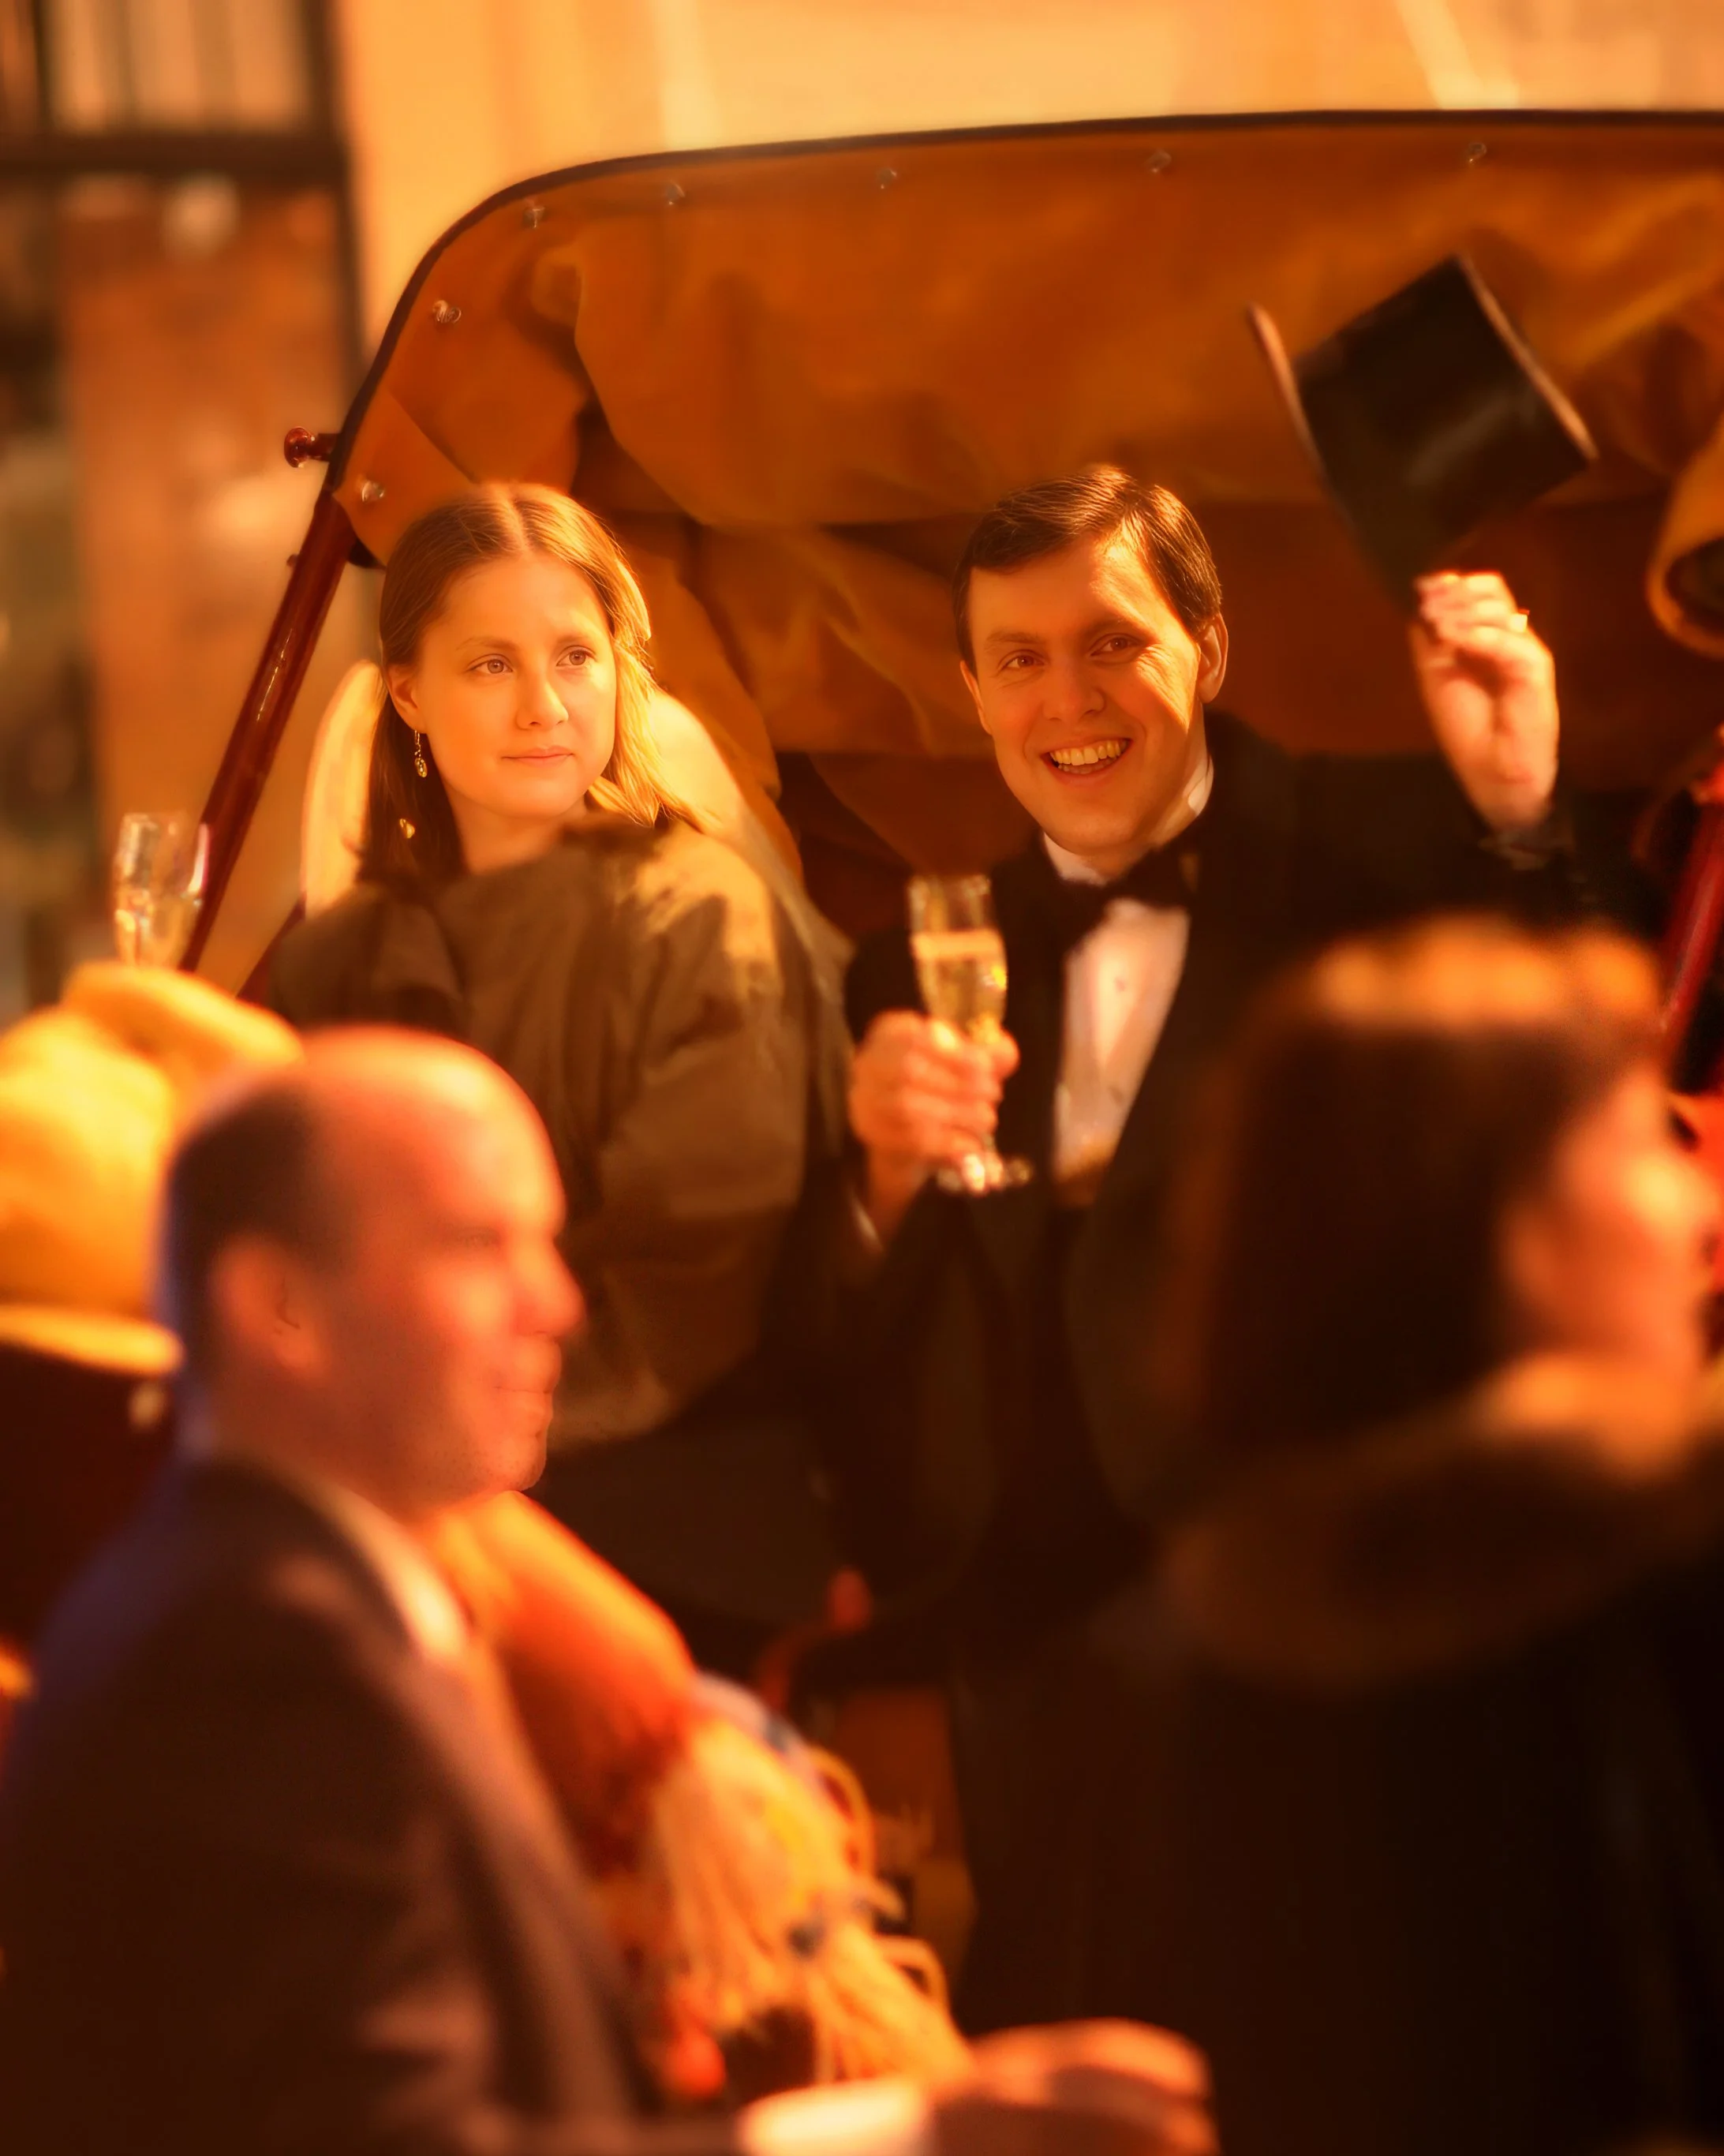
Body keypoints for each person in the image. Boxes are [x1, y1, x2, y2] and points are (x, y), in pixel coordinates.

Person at [0, 1028, 1214, 2156]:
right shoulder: (259, 1652)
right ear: (279, 1307)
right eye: (482, 1246)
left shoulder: (305, 1597)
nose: (560, 1302)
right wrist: (911, 2133)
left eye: (548, 1243)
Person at [821, 462, 1609, 1942]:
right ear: (975, 693)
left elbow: (1582, 1078)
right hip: (1017, 1637)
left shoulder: (1390, 850)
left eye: (1115, 640)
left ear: (1210, 649)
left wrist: (1519, 806)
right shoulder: (916, 959)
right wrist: (878, 1186)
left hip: (1315, 1600)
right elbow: (858, 1332)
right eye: (1021, 660)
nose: (1069, 698)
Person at [965, 918, 1724, 2156]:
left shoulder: (1150, 1669)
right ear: (1511, 1233)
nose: (1697, 1207)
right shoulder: (1666, 1591)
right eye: (1644, 1143)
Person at [269, 485, 841, 1662]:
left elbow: (685, 1285)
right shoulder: (341, 956)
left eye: (575, 656)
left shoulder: (696, 917)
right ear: (411, 696)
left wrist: (428, 1468)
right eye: (490, 666)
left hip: (663, 1505)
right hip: (394, 1498)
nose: (543, 706)